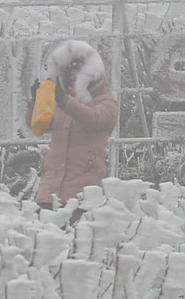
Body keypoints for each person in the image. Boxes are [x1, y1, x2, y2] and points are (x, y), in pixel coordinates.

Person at [30, 38, 119, 208]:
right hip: (49, 192)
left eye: (78, 73)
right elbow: (38, 125)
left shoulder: (107, 103)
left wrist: (63, 99)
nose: (73, 78)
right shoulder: (64, 103)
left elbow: (91, 118)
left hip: (83, 195)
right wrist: (36, 101)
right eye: (68, 74)